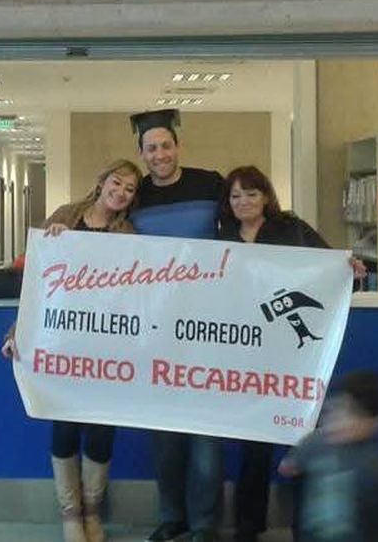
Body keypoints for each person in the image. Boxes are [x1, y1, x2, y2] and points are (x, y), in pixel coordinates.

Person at [217, 165, 367, 542]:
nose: (243, 202)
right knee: (252, 446)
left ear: (266, 196)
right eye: (235, 196)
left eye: (251, 193)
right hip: (247, 355)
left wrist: (349, 268)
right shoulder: (221, 237)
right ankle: (248, 526)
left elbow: (329, 265)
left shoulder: (291, 228)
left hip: (292, 356)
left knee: (301, 442)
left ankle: (307, 527)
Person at [2, 158, 143, 542]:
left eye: (129, 189)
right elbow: (37, 282)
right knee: (64, 425)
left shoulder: (128, 234)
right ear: (102, 181)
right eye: (116, 182)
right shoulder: (65, 216)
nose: (121, 192)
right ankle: (70, 514)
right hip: (62, 343)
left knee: (101, 428)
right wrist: (19, 331)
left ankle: (92, 510)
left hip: (105, 347)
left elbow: (132, 293)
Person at [128, 109, 226, 542]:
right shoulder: (136, 196)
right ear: (142, 154)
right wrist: (58, 232)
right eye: (151, 148)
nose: (160, 154)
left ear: (178, 146)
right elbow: (98, 227)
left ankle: (204, 524)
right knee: (164, 431)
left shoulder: (210, 184)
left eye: (166, 145)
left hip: (209, 322)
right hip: (157, 325)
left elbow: (255, 223)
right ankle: (173, 518)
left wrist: (329, 259)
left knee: (206, 431)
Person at [277, 371, 378, 542]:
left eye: (351, 415)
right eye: (334, 410)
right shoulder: (315, 442)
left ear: (376, 423)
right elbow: (290, 466)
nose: (337, 421)